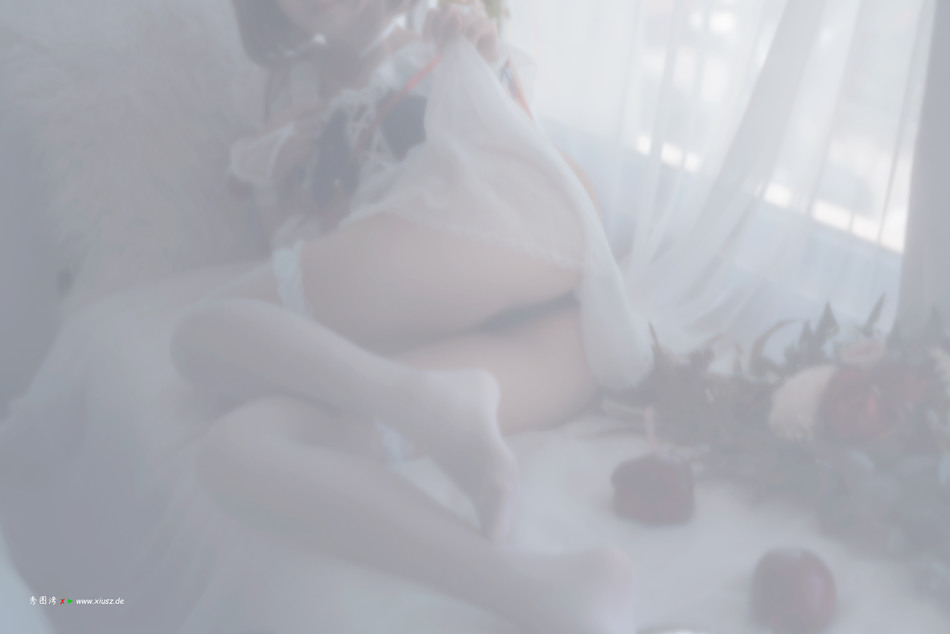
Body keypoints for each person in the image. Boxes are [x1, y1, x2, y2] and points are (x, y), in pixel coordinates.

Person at [169, 1, 646, 632]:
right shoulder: (289, 89)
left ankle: (419, 398)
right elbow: (289, 249)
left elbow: (515, 140)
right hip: (557, 345)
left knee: (199, 338)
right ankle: (535, 589)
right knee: (236, 448)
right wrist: (270, 172)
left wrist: (484, 63)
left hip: (516, 241)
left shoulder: (431, 40)